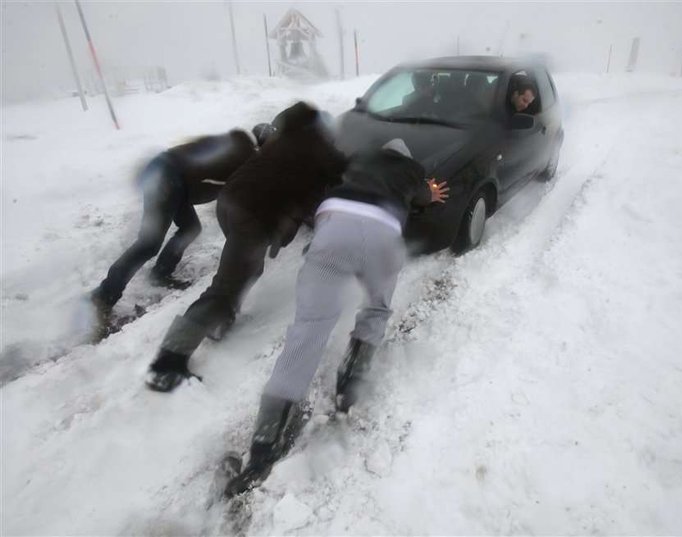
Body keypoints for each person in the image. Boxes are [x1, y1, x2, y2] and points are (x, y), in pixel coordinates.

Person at [223, 138, 449, 497]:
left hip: (334, 228)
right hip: (382, 233)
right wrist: (428, 195)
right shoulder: (411, 171)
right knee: (376, 307)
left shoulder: (355, 166)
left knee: (308, 330)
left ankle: (263, 448)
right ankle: (349, 386)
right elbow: (423, 199)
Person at [145, 102, 347, 393]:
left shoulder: (285, 139)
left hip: (230, 204)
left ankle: (219, 321)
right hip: (252, 215)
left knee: (248, 268)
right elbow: (347, 173)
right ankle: (167, 362)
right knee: (224, 289)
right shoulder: (322, 151)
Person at [90, 124, 276, 320]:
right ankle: (103, 296)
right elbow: (238, 201)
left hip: (170, 174)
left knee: (190, 227)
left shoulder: (236, 143)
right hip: (167, 177)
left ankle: (161, 272)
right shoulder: (245, 158)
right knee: (149, 244)